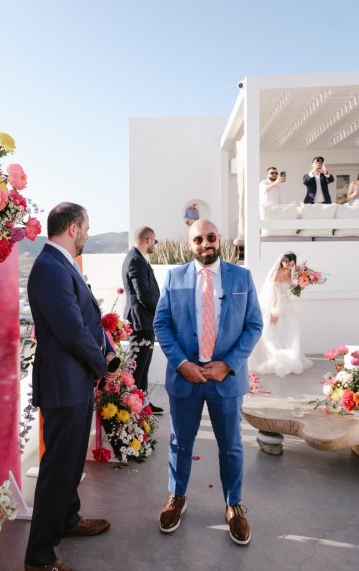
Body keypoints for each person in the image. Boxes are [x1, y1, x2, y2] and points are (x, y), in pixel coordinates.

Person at [154, 219, 262, 546]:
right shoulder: (174, 278)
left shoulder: (241, 278)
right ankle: (177, 497)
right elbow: (162, 324)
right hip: (185, 378)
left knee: (230, 446)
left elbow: (254, 325)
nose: (205, 244)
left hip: (225, 381)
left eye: (210, 237)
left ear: (219, 239)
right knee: (179, 444)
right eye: (198, 239)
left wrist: (227, 365)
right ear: (191, 244)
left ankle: (234, 504)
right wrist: (182, 363)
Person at [25, 202, 117, 571]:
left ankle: (67, 518)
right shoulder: (50, 267)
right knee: (57, 470)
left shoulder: (61, 264)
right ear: (73, 228)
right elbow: (71, 331)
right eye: (87, 228)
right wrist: (103, 366)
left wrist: (106, 356)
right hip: (64, 386)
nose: (89, 234)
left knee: (70, 461)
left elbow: (86, 319)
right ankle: (39, 557)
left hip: (75, 382)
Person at [248, 252, 313, 377]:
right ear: (281, 261)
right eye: (286, 263)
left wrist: (302, 284)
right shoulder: (276, 273)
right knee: (272, 333)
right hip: (276, 305)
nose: (288, 266)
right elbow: (273, 294)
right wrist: (274, 312)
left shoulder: (289, 272)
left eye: (291, 264)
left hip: (286, 305)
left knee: (291, 330)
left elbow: (289, 287)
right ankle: (276, 358)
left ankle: (291, 356)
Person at [122, 226, 163, 414]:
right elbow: (143, 294)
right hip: (141, 321)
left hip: (146, 320)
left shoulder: (138, 259)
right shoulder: (135, 260)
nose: (154, 244)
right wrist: (161, 311)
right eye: (154, 241)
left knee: (143, 366)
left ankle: (143, 402)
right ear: (148, 240)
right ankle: (132, 406)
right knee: (137, 366)